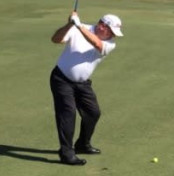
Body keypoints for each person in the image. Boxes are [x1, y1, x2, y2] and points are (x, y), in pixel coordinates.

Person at [49, 12, 123, 165]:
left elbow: (97, 44)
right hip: (61, 79)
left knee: (93, 112)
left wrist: (78, 25)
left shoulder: (110, 43)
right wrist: (70, 25)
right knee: (67, 114)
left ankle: (83, 144)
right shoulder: (76, 28)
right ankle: (66, 154)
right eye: (111, 31)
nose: (113, 35)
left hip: (82, 84)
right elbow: (55, 39)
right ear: (102, 26)